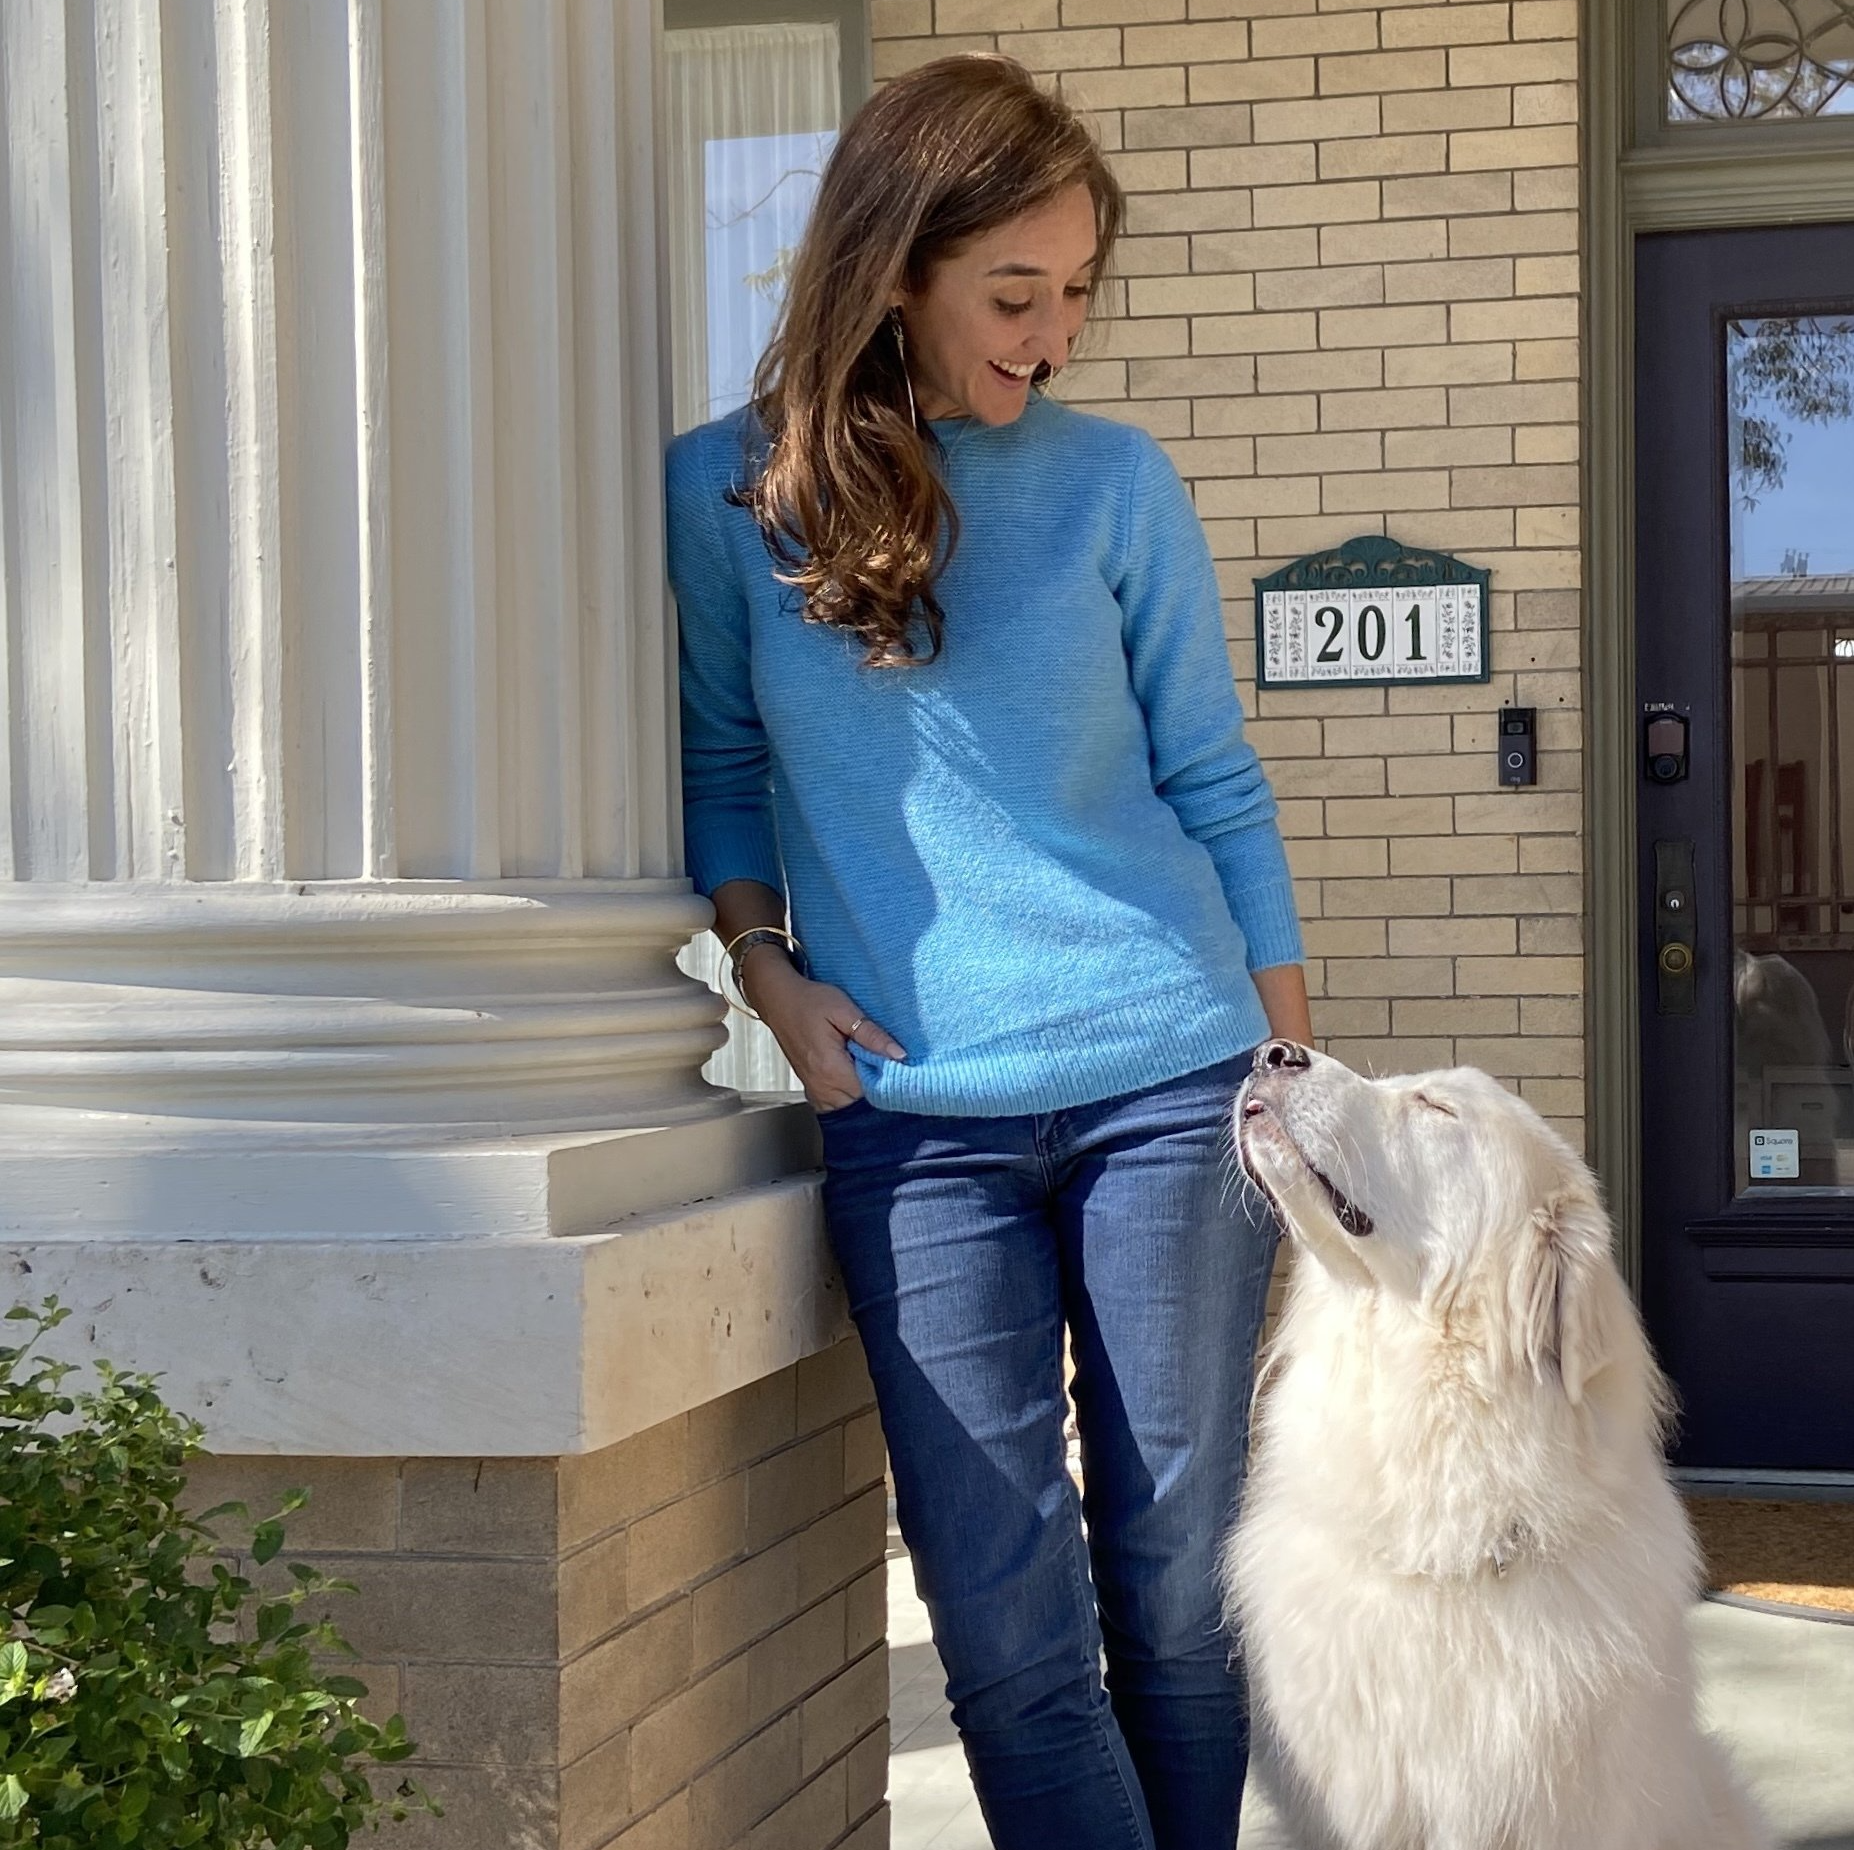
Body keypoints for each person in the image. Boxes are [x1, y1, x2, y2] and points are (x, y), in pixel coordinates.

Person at [667, 54, 1310, 1850]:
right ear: (894, 270)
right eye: (1013, 293)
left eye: (1077, 292)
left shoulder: (1112, 483)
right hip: (912, 1112)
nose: (1053, 337)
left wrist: (1287, 1074)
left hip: (1174, 1082)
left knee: (1175, 1591)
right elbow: (722, 774)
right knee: (1005, 1628)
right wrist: (765, 973)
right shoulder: (725, 496)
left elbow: (1213, 778)